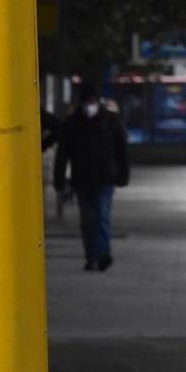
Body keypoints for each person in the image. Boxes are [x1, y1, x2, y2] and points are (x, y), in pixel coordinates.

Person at [54, 83, 129, 272]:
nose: (89, 106)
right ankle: (92, 256)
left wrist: (123, 175)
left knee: (101, 216)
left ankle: (102, 254)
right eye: (86, 102)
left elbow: (122, 150)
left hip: (105, 179)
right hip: (82, 180)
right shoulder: (72, 124)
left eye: (92, 102)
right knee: (87, 220)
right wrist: (60, 180)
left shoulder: (111, 121)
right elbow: (62, 154)